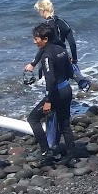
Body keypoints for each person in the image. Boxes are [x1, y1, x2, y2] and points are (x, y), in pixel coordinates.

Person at [26, 21, 76, 164]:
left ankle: (45, 151)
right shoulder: (61, 49)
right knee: (64, 123)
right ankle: (71, 156)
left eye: (36, 39)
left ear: (45, 39)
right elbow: (69, 71)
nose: (34, 41)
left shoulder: (47, 55)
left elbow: (51, 80)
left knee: (33, 119)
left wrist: (48, 100)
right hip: (67, 89)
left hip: (56, 93)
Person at [26, 0, 90, 93]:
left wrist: (33, 64)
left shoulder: (46, 27)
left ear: (42, 10)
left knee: (49, 78)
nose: (39, 13)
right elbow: (72, 43)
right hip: (64, 53)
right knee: (66, 77)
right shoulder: (62, 22)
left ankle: (50, 98)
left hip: (51, 55)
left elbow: (44, 47)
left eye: (39, 10)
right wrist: (74, 58)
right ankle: (82, 85)